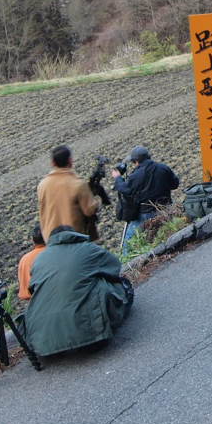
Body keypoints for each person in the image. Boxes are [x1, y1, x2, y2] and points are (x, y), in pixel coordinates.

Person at [24, 225, 132, 358]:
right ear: (74, 235)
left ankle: (58, 342)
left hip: (42, 343)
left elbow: (32, 289)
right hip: (91, 337)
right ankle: (93, 331)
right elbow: (114, 267)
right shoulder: (87, 249)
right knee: (109, 284)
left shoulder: (39, 259)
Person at [112, 146, 180, 258]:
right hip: (167, 208)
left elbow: (125, 190)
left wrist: (118, 178)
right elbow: (175, 184)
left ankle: (125, 262)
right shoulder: (163, 168)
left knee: (128, 242)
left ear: (136, 161)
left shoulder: (136, 175)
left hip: (146, 214)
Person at [37, 145, 100, 241]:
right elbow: (89, 210)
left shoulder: (42, 185)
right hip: (74, 238)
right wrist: (97, 199)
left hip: (51, 240)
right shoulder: (78, 184)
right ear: (70, 161)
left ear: (53, 163)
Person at [18, 225, 47, 301]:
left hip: (33, 305)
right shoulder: (53, 252)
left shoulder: (24, 259)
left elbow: (24, 293)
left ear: (33, 240)